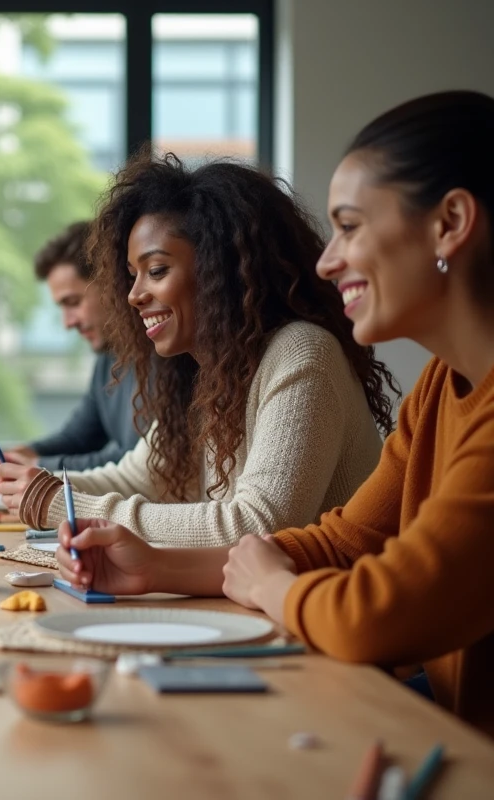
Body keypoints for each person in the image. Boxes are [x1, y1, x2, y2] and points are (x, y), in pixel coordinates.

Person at [56, 91, 494, 736]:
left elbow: (377, 610)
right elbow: (344, 542)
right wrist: (154, 563)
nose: (327, 259)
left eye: (350, 226)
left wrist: (273, 589)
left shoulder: (309, 356)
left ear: (450, 222)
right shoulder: (438, 388)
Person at [0, 153, 398, 546]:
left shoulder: (303, 354)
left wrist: (62, 504)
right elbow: (134, 478)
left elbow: (256, 525)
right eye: (132, 275)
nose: (134, 295)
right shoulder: (209, 373)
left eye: (155, 271)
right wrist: (36, 487)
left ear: (217, 269)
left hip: (325, 608)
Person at [0, 221, 141, 480]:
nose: (68, 322)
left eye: (73, 303)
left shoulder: (166, 358)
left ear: (113, 285)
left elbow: (136, 463)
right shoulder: (108, 360)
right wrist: (26, 453)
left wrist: (40, 463)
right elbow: (79, 437)